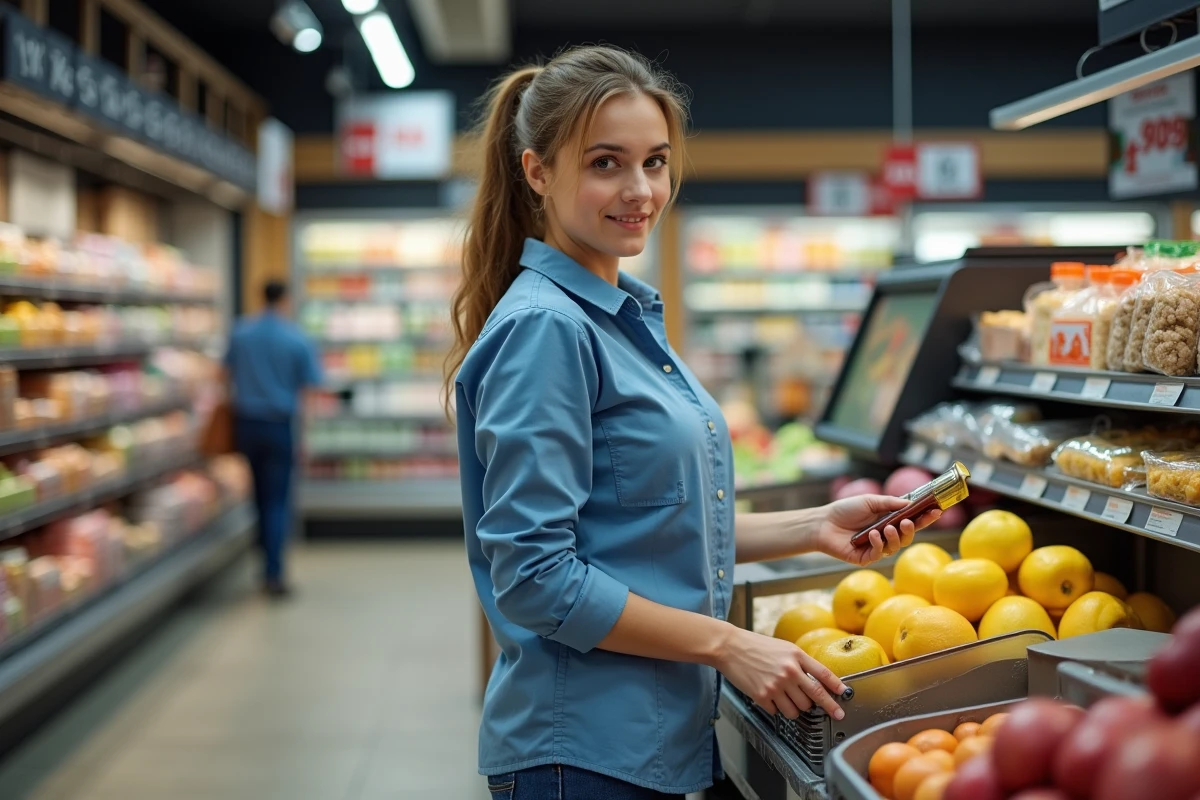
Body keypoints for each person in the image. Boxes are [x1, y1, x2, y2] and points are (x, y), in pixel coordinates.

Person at [445, 46, 941, 800]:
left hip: (645, 741)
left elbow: (642, 521)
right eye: (606, 163)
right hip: (581, 754)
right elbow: (537, 579)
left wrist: (812, 525)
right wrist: (729, 646)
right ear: (537, 172)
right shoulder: (549, 329)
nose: (640, 190)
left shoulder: (620, 315)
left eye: (655, 162)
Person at [224, 279, 321, 598]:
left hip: (246, 424)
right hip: (280, 425)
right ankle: (274, 573)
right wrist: (304, 437)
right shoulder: (296, 338)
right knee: (278, 500)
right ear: (286, 299)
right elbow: (308, 390)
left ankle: (262, 561)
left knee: (257, 497)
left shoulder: (241, 332)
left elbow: (223, 376)